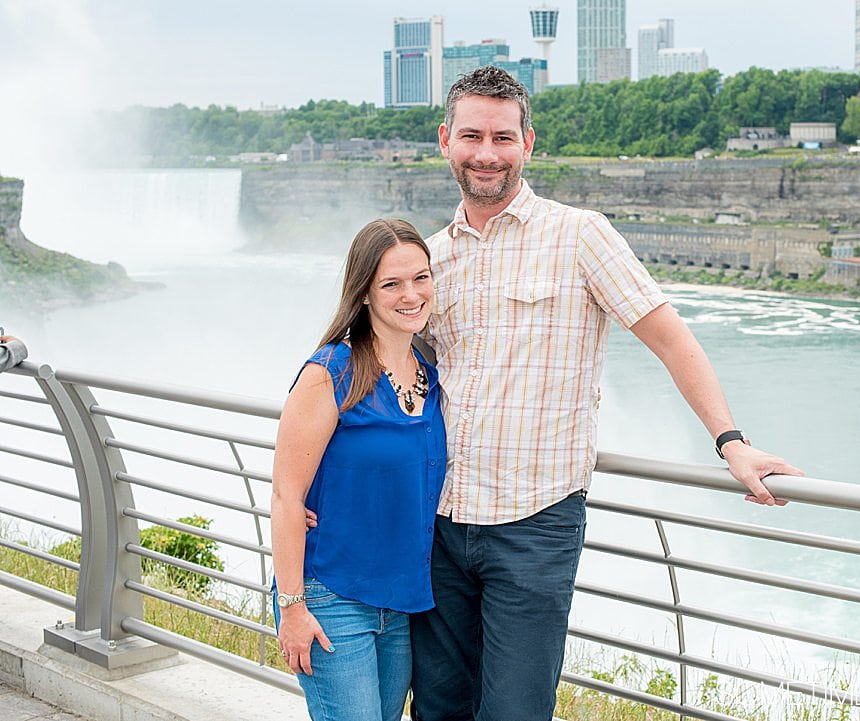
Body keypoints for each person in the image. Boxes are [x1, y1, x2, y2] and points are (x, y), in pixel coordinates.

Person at [409, 66, 805, 721]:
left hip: (534, 526)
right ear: (446, 140)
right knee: (440, 706)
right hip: (439, 524)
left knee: (514, 711)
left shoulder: (580, 235)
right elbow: (395, 378)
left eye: (503, 137)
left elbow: (673, 339)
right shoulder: (430, 259)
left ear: (528, 144)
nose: (487, 153)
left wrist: (731, 442)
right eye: (472, 135)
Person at [270, 219, 446, 721]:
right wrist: (292, 608)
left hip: (403, 602)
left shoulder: (433, 376)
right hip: (332, 594)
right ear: (365, 293)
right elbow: (286, 495)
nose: (411, 295)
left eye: (421, 278)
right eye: (391, 284)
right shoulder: (330, 373)